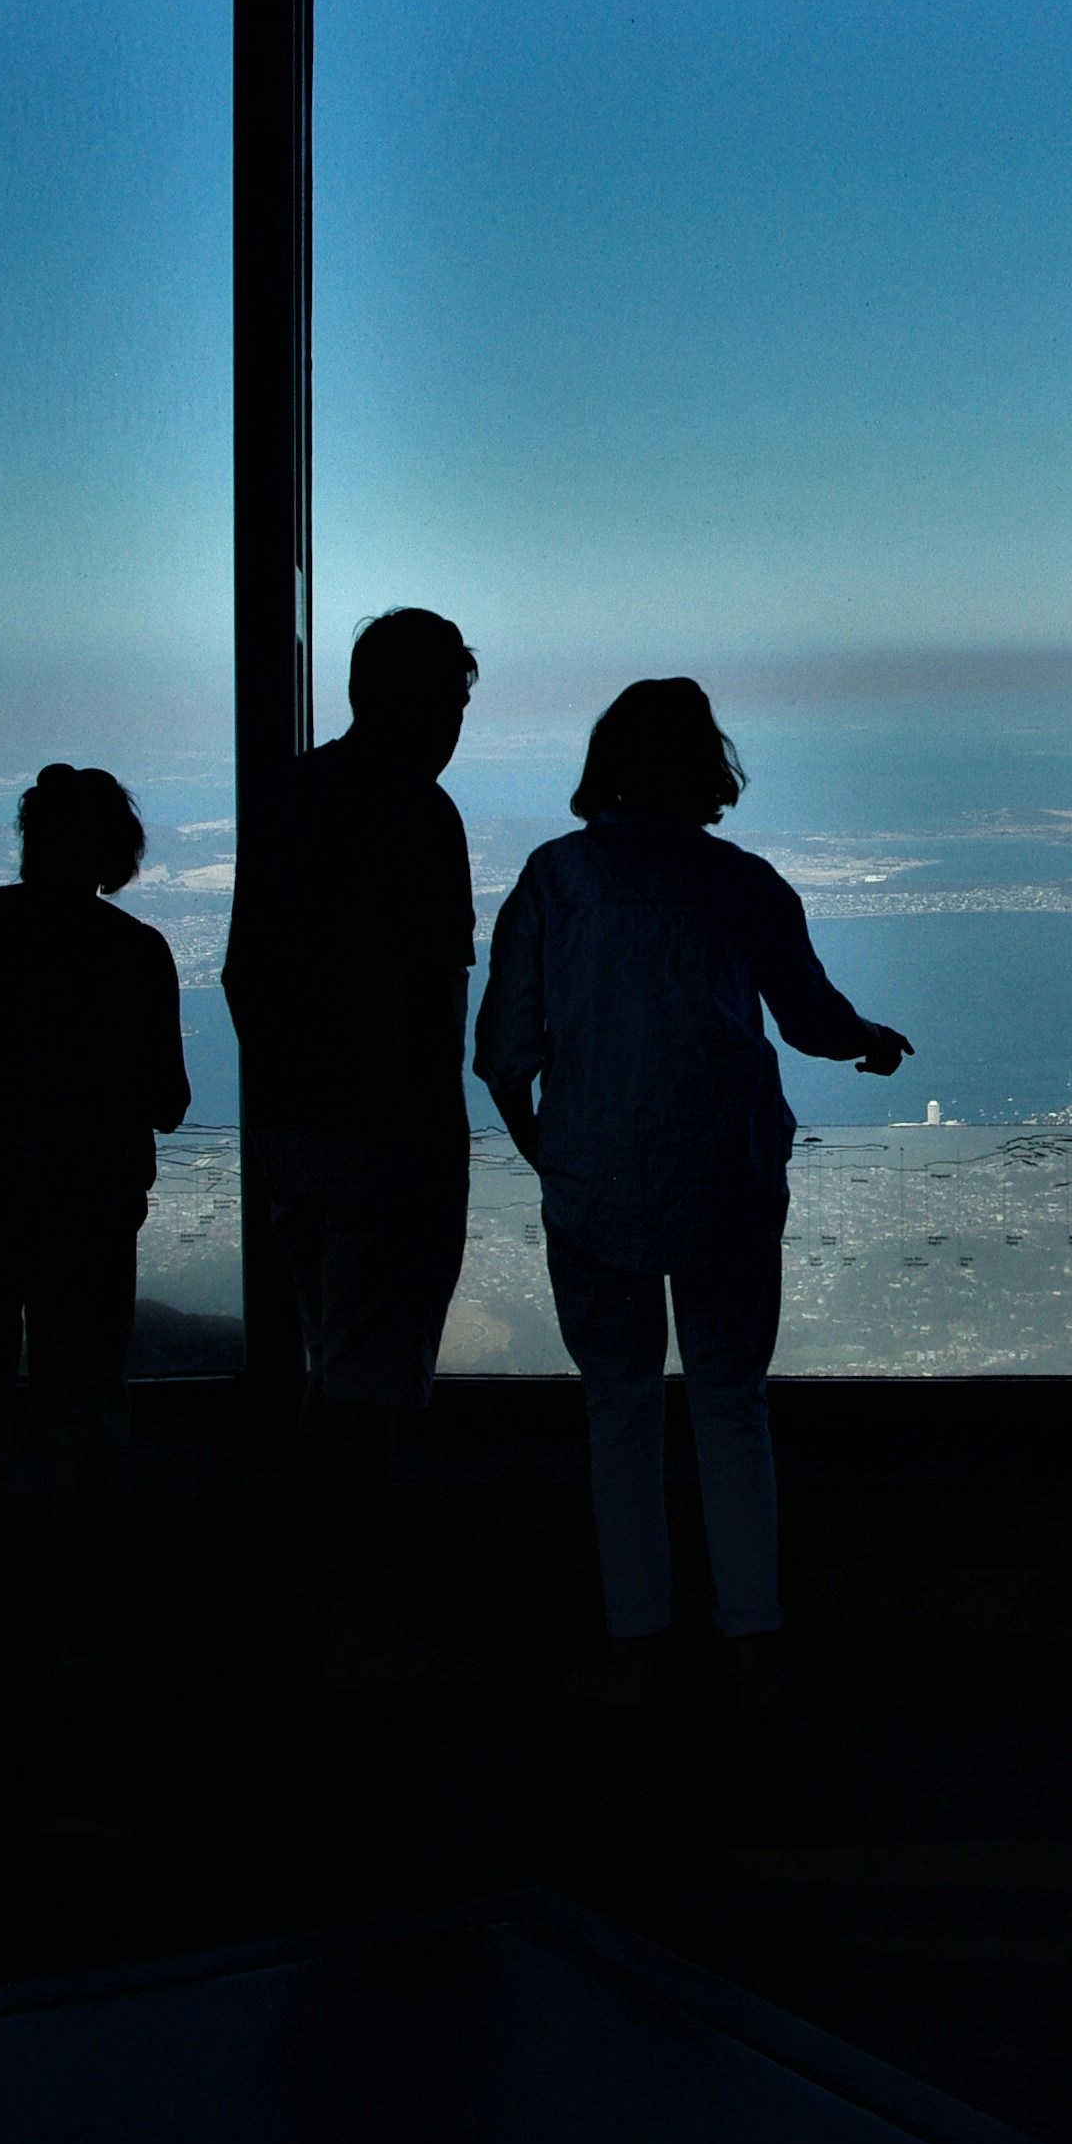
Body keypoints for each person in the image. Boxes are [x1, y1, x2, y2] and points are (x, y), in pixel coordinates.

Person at [474, 678, 909, 1713]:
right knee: (730, 1403)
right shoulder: (739, 882)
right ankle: (751, 1647)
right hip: (726, 1180)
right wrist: (870, 1041)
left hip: (594, 1188)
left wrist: (551, 1152)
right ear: (707, 767)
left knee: (618, 1412)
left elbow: (502, 1053)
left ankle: (635, 1653)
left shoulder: (554, 879)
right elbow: (808, 1018)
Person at [0, 764, 191, 1680]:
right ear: (114, 856)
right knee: (84, 1420)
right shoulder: (136, 951)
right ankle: (81, 1628)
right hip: (89, 1214)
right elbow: (170, 1102)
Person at [222, 608, 481, 1692]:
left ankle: (319, 1609)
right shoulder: (419, 813)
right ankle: (355, 1626)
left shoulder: (287, 796)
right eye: (454, 704)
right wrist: (427, 1130)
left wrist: (290, 1097)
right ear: (422, 706)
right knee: (367, 1395)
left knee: (327, 1374)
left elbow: (243, 975)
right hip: (387, 1140)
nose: (457, 728)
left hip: (291, 1132)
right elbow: (434, 998)